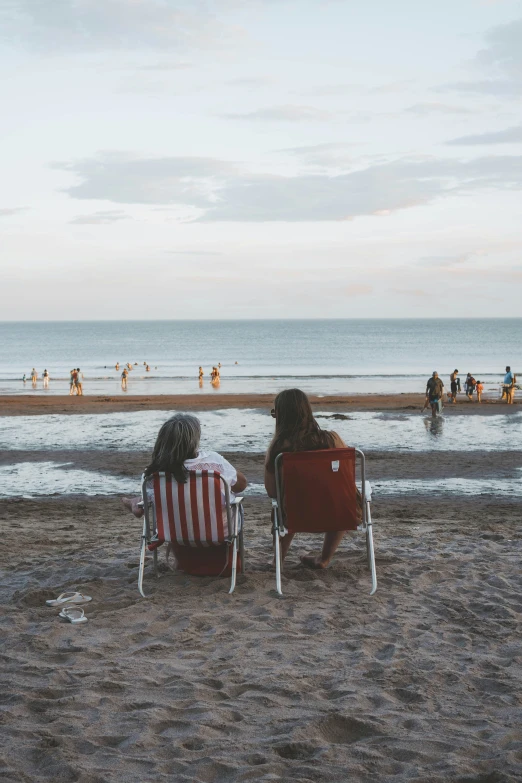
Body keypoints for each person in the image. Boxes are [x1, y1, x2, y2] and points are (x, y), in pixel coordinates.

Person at [122, 414, 247, 575]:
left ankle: (134, 503)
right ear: (194, 441)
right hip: (220, 533)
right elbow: (241, 485)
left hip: (175, 532)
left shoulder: (153, 474)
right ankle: (135, 503)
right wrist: (222, 466)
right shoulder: (213, 462)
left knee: (153, 501)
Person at [264, 388, 360, 570]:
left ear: (281, 417)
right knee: (340, 494)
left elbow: (272, 492)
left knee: (287, 502)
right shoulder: (333, 439)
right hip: (338, 512)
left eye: (275, 414)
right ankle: (324, 559)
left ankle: (278, 561)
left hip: (296, 515)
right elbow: (345, 477)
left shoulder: (278, 451)